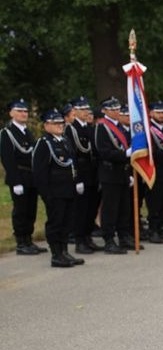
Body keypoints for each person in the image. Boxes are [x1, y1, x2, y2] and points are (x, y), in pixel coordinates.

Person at [32, 109, 83, 267]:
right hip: (55, 192)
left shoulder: (65, 141)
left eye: (61, 123)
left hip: (69, 190)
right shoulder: (44, 143)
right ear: (46, 125)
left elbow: (73, 164)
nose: (60, 126)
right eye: (56, 123)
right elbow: (39, 172)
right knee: (56, 223)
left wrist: (77, 182)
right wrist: (46, 195)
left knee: (67, 223)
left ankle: (65, 251)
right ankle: (56, 254)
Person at [3, 99, 46, 255]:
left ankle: (29, 240)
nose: (23, 114)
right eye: (19, 111)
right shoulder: (7, 133)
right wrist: (15, 182)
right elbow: (8, 159)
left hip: (31, 176)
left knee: (31, 210)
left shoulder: (26, 131)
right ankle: (21, 242)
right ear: (11, 113)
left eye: (25, 111)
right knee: (21, 211)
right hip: (19, 176)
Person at [94, 97, 132, 254]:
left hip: (122, 172)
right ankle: (109, 239)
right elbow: (103, 152)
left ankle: (124, 237)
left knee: (124, 207)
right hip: (110, 173)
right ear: (104, 111)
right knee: (110, 208)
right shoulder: (102, 127)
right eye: (112, 109)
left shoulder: (120, 127)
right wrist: (124, 154)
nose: (116, 112)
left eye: (117, 109)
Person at [66, 97, 102, 253]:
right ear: (74, 111)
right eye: (82, 109)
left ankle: (88, 236)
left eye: (87, 109)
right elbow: (72, 155)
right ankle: (80, 240)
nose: (86, 112)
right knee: (81, 209)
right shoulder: (70, 129)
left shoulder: (90, 128)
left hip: (93, 173)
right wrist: (77, 179)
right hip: (81, 173)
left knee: (91, 208)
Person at [146, 102, 163, 243]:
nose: (162, 115)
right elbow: (152, 153)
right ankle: (153, 230)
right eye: (158, 112)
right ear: (151, 113)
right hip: (155, 170)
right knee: (155, 203)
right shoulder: (148, 130)